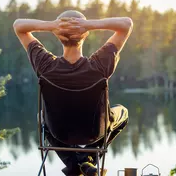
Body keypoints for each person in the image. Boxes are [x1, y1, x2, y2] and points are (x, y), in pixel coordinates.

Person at [13, 10, 132, 176]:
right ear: (85, 35)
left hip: (59, 133)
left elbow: (18, 26)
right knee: (123, 112)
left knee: (41, 117)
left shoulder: (45, 65)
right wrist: (88, 25)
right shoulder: (99, 65)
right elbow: (126, 24)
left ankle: (74, 164)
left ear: (58, 35)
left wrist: (53, 25)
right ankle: (86, 159)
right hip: (95, 132)